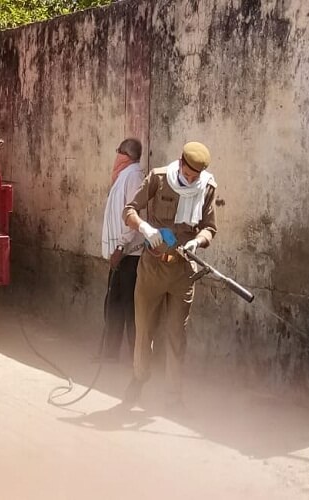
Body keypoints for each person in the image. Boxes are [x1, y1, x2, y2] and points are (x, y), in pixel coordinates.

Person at [121, 141, 217, 409]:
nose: (190, 179)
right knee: (144, 330)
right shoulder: (159, 178)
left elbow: (210, 227)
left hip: (183, 271)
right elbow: (128, 210)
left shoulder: (207, 187)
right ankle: (139, 378)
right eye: (187, 173)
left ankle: (174, 396)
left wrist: (198, 241)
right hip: (152, 267)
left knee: (177, 334)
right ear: (181, 162)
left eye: (195, 176)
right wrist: (144, 228)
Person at [100, 138, 144, 362]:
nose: (116, 155)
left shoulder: (134, 175)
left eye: (119, 151)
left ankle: (136, 361)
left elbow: (133, 215)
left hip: (129, 255)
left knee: (129, 309)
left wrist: (120, 246)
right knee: (113, 304)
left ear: (126, 154)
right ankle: (109, 355)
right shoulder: (122, 176)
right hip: (119, 255)